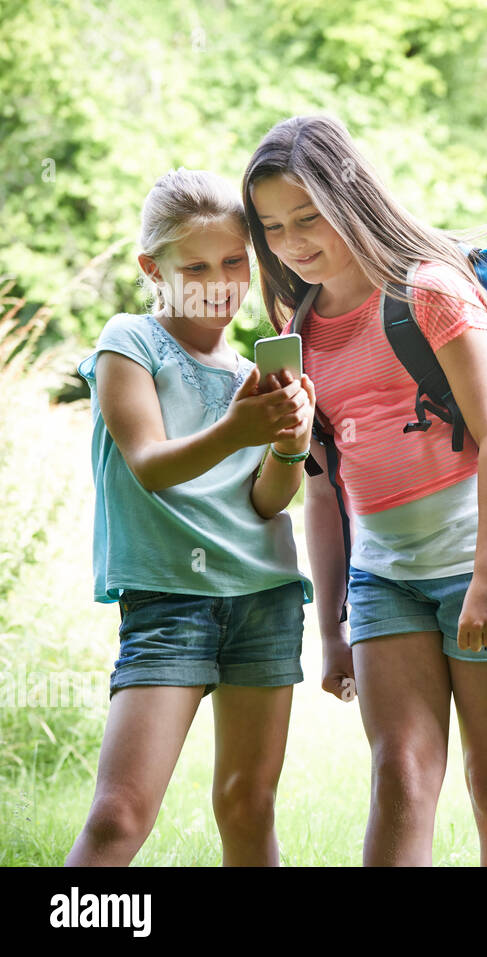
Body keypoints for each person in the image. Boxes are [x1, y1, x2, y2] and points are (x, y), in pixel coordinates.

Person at [242, 115, 487, 866]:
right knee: (401, 775)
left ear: (351, 197)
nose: (292, 242)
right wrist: (333, 625)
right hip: (385, 578)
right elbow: (321, 490)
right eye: (273, 227)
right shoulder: (298, 327)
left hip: (482, 560)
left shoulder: (432, 292)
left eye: (308, 217)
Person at [68, 168, 315, 866]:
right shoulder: (130, 342)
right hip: (170, 600)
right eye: (196, 265)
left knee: (247, 804)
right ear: (154, 268)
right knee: (119, 815)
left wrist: (291, 444)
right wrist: (240, 428)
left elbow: (267, 501)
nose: (220, 281)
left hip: (264, 597)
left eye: (235, 261)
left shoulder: (251, 374)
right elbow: (149, 462)